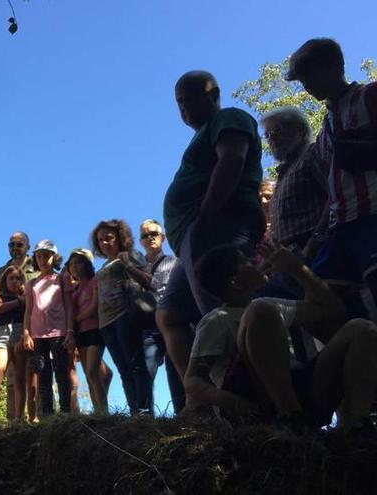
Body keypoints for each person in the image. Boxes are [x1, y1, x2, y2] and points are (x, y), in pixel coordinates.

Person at [186, 243, 377, 434]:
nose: (254, 261)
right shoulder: (216, 320)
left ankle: (355, 427)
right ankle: (291, 417)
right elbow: (193, 379)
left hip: (300, 390)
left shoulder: (270, 306)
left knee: (361, 329)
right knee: (260, 309)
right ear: (235, 282)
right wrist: (232, 402)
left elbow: (332, 311)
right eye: (245, 261)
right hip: (256, 407)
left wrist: (297, 269)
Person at [158, 71, 265, 399]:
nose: (184, 108)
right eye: (178, 102)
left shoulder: (229, 117)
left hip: (217, 227)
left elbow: (232, 159)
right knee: (170, 314)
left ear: (213, 94)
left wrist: (206, 216)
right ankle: (202, 399)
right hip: (194, 238)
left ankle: (251, 397)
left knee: (222, 310)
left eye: (189, 98)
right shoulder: (200, 135)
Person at [286, 38, 377, 311]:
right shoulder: (325, 131)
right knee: (319, 302)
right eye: (302, 79)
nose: (307, 85)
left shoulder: (369, 97)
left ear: (335, 66)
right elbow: (332, 189)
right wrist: (314, 242)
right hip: (341, 226)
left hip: (372, 214)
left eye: (310, 75)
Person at [92, 219, 153, 415]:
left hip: (125, 315)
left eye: (108, 238)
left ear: (119, 237)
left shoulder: (130, 255)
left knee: (136, 365)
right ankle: (135, 413)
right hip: (106, 322)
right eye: (101, 240)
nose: (104, 243)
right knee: (123, 370)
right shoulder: (102, 267)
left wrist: (127, 265)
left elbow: (148, 281)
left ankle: (144, 412)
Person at [260, 107, 326, 257]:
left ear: (300, 130)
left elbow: (335, 198)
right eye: (267, 135)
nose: (272, 138)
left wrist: (312, 244)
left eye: (277, 130)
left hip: (317, 252)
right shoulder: (283, 175)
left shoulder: (312, 154)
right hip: (289, 259)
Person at [138, 219, 185, 414]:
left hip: (173, 321)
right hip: (148, 325)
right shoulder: (137, 266)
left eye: (154, 234)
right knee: (146, 371)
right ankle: (145, 417)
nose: (149, 238)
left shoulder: (175, 261)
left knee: (176, 370)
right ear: (140, 241)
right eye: (145, 235)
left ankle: (183, 414)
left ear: (163, 237)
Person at [21, 240, 71, 417]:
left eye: (47, 256)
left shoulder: (61, 279)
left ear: (54, 257)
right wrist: (26, 333)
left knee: (62, 372)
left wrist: (70, 331)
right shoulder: (32, 283)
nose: (43, 259)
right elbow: (28, 310)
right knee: (43, 374)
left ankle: (65, 413)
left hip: (58, 331)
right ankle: (48, 415)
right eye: (39, 256)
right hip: (37, 333)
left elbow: (68, 305)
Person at [0, 231, 39, 419]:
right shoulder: (0, 272)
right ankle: (14, 420)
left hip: (37, 329)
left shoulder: (37, 267)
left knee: (36, 373)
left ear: (28, 247)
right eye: (11, 244)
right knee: (13, 377)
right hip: (8, 329)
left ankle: (38, 418)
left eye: (19, 244)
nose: (15, 247)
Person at [64, 248, 111, 414]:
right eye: (71, 265)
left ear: (87, 265)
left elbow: (95, 306)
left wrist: (76, 319)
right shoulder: (74, 291)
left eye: (79, 263)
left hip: (95, 330)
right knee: (88, 373)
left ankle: (104, 411)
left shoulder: (95, 281)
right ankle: (97, 411)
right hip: (80, 334)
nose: (75, 267)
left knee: (92, 371)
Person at [0, 265, 27, 420]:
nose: (15, 281)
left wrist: (25, 336)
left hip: (20, 333)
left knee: (19, 377)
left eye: (18, 278)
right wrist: (18, 302)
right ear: (4, 281)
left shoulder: (27, 298)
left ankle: (19, 416)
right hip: (2, 334)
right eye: (11, 278)